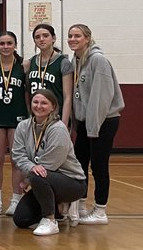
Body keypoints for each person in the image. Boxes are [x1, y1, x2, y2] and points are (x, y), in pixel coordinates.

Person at [64, 23, 124, 225]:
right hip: (84, 122)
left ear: (88, 38)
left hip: (103, 121)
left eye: (77, 36)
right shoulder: (77, 60)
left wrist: (93, 127)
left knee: (98, 165)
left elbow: (101, 97)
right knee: (79, 163)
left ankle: (100, 209)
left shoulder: (98, 60)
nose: (73, 39)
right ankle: (80, 204)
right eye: (70, 36)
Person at [11, 88, 88, 236]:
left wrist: (27, 180)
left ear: (53, 107)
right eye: (35, 102)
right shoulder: (23, 126)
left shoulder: (58, 129)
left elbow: (52, 163)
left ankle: (50, 220)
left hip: (72, 182)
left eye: (44, 103)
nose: (39, 106)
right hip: (44, 180)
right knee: (21, 219)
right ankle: (59, 208)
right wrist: (32, 168)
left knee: (37, 176)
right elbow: (17, 155)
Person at [0, 31, 27, 216]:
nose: (5, 46)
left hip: (17, 117)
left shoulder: (24, 65)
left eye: (9, 43)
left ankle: (16, 200)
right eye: (2, 43)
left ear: (15, 45)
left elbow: (27, 93)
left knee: (17, 160)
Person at [26, 23, 72, 123]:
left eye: (45, 36)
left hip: (55, 118)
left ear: (53, 38)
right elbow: (27, 91)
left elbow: (68, 97)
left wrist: (64, 124)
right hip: (36, 116)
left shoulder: (63, 63)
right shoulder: (31, 62)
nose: (41, 39)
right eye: (37, 37)